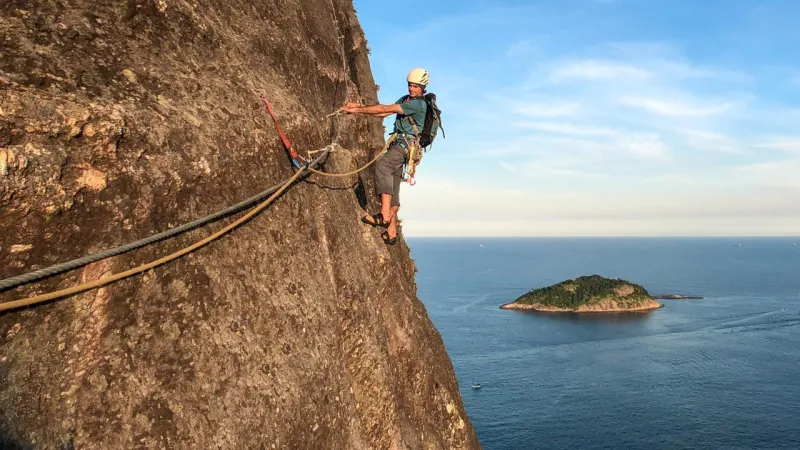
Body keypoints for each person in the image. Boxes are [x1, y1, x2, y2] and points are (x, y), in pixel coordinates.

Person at [340, 68, 429, 246]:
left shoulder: (419, 104)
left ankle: (384, 215)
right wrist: (357, 108)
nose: (411, 89)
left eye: (415, 87)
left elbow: (386, 108)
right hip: (402, 147)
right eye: (410, 85)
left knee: (382, 167)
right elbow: (382, 112)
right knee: (394, 183)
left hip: (404, 146)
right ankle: (391, 232)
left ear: (422, 88)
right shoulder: (406, 100)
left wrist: (357, 111)